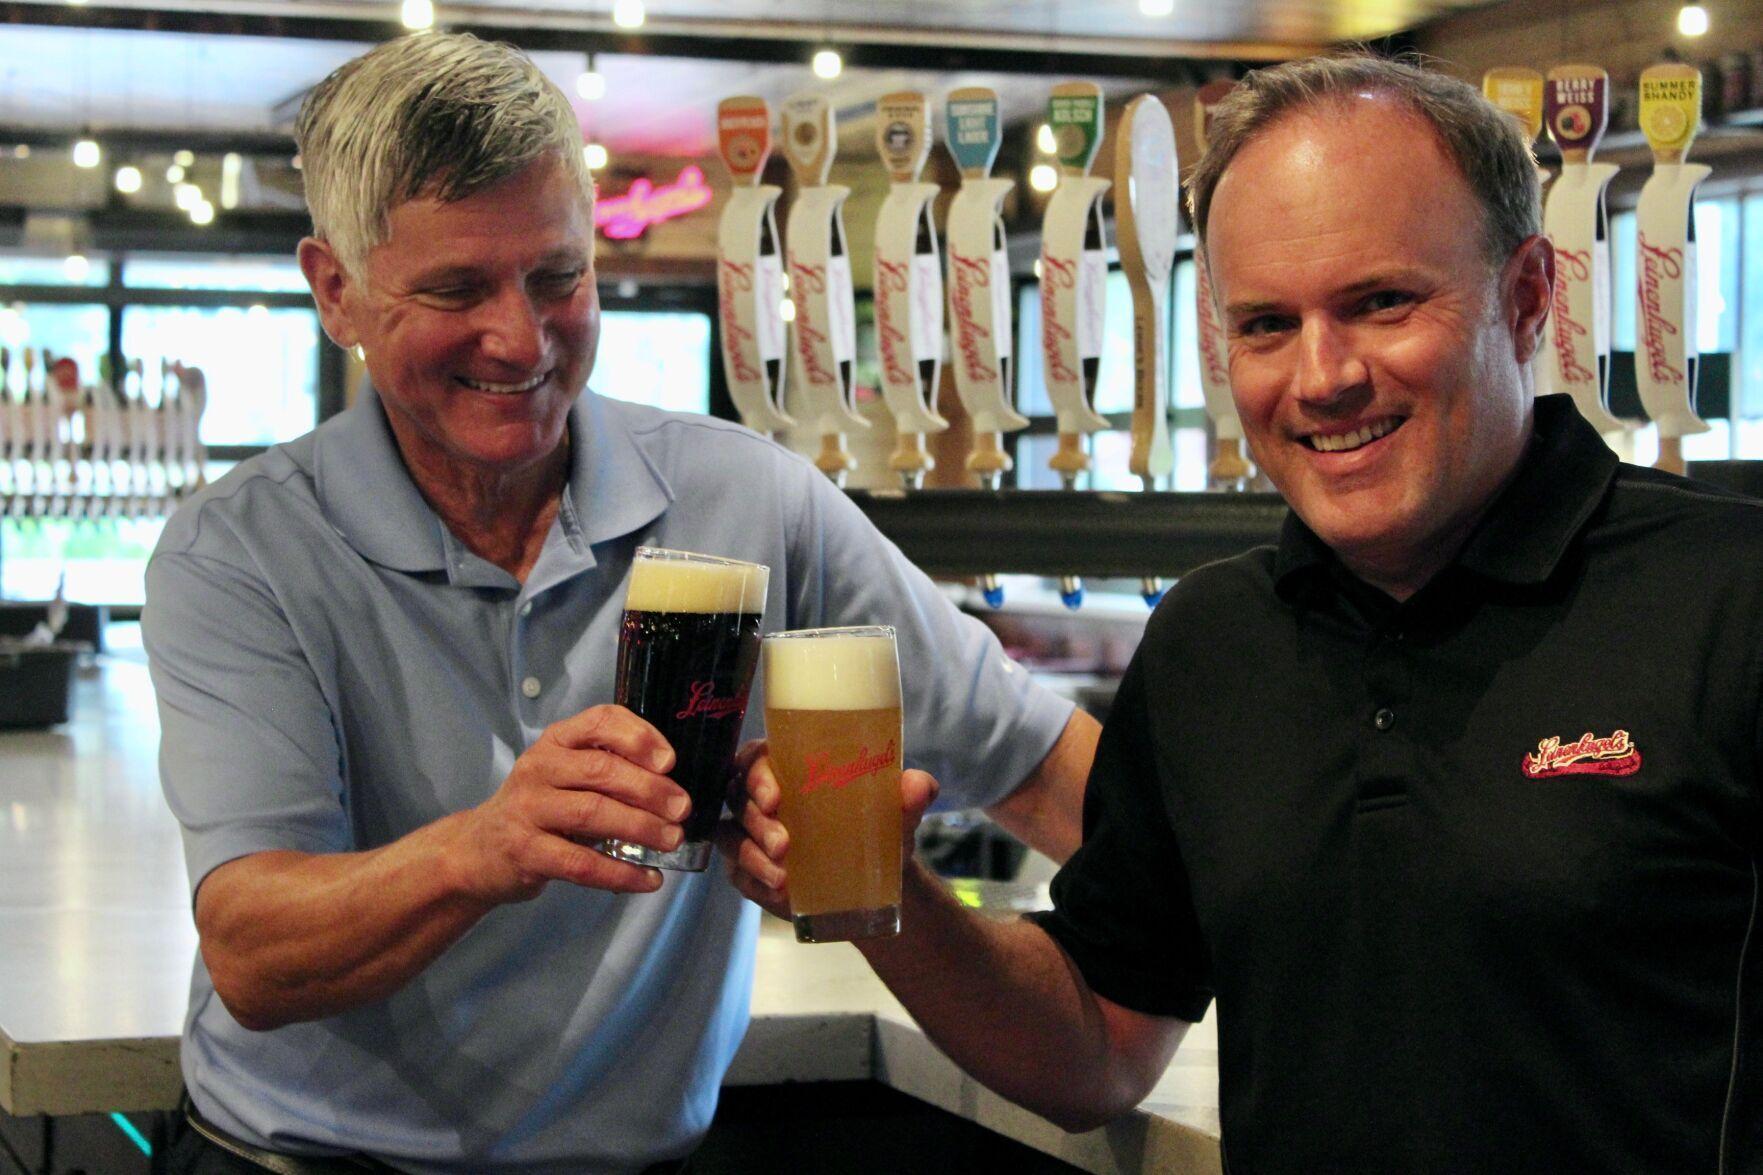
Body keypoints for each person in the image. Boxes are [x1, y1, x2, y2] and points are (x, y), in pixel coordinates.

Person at [729, 53, 1763, 1173]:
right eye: (1265, 324)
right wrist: (883, 893)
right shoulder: (1209, 643)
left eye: (1379, 302)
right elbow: (1094, 1046)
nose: (1319, 376)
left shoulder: (1727, 597)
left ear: (1524, 298)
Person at [142, 32, 1098, 1175]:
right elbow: (253, 949)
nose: (520, 336)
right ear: (334, 290)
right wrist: (485, 845)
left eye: (558, 276)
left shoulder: (748, 499)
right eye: (455, 288)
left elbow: (1055, 772)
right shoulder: (239, 547)